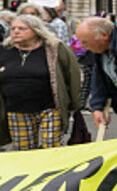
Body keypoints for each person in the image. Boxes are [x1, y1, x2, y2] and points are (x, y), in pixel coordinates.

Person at [0, 14, 81, 150]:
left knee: (51, 146)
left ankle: (53, 171)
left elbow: (72, 75)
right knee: (23, 151)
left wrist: (75, 104)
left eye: (22, 28)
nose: (16, 32)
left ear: (36, 31)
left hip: (50, 107)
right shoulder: (4, 50)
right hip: (16, 109)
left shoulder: (55, 49)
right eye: (13, 28)